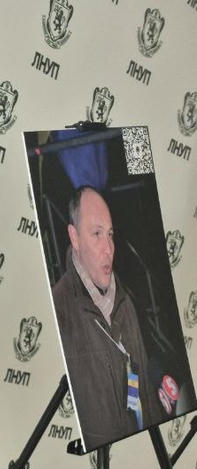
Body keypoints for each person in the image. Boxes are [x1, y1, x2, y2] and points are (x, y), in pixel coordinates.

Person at [51, 185, 163, 449]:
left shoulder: (125, 303)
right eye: (96, 234)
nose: (108, 248)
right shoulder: (59, 311)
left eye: (110, 234)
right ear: (74, 237)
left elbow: (145, 391)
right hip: (102, 463)